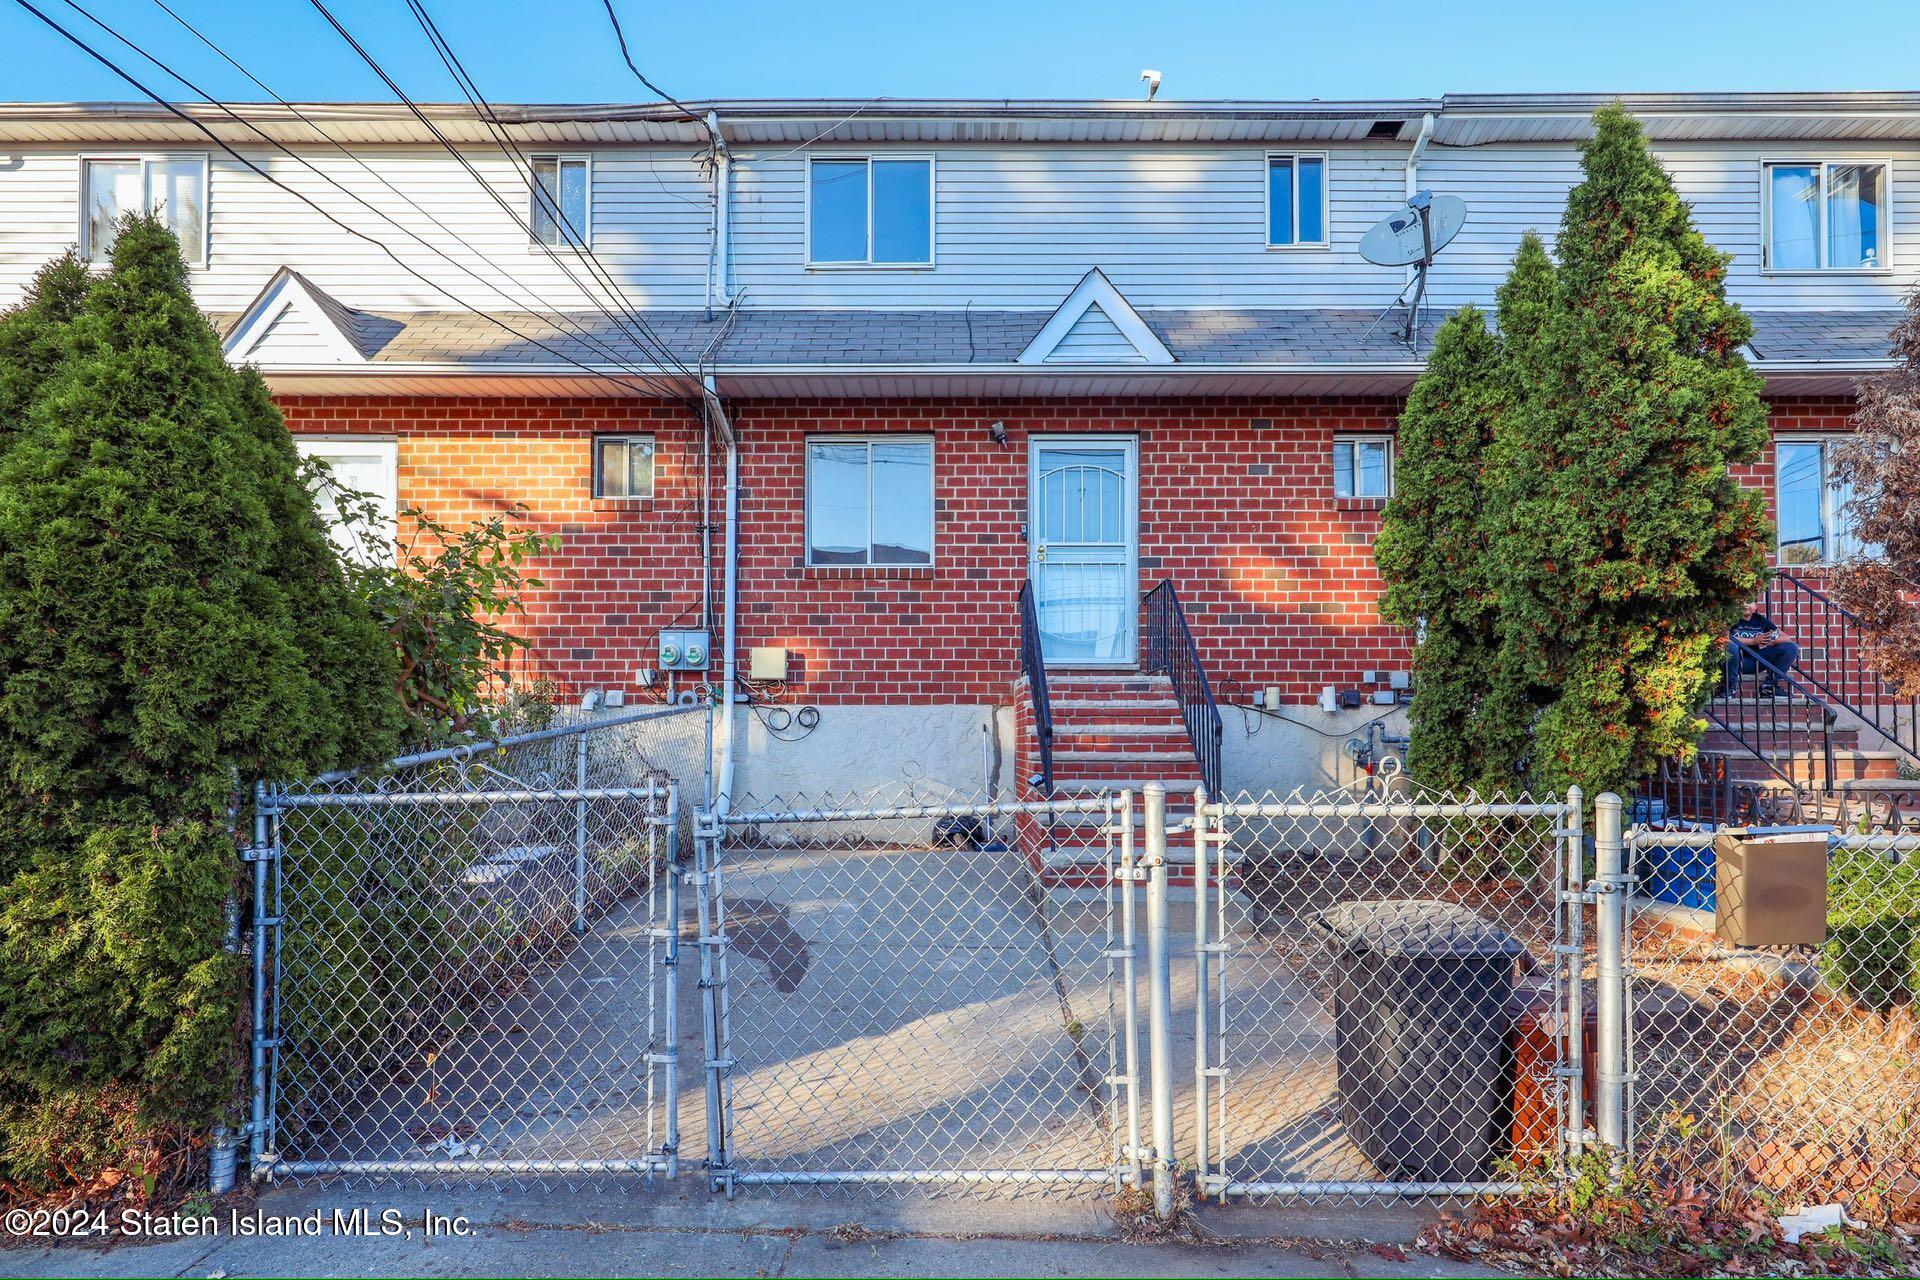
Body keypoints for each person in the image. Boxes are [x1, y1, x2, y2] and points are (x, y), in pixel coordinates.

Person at [1727, 600, 1800, 698]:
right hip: (1735, 662)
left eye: (1749, 601)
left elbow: (1785, 637)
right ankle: (1729, 687)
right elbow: (1724, 637)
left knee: (1791, 647)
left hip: (1757, 661)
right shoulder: (1731, 619)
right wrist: (1754, 641)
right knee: (1731, 646)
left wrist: (1770, 641)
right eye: (1742, 601)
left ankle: (1769, 686)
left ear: (1756, 606)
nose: (1745, 604)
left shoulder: (1760, 620)